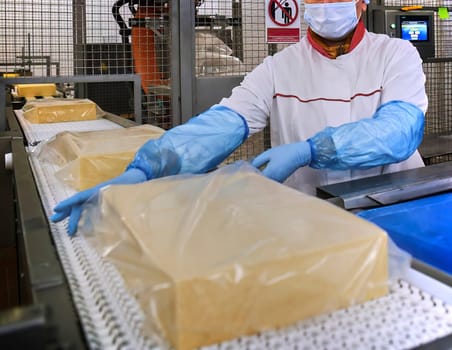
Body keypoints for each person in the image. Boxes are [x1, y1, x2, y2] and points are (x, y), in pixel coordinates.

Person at [52, 0, 427, 235]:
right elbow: (224, 123)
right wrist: (150, 166)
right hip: (310, 217)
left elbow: (397, 132)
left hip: (393, 210)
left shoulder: (396, 55)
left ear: (361, 3)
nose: (327, 5)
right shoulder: (280, 66)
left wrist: (310, 150)